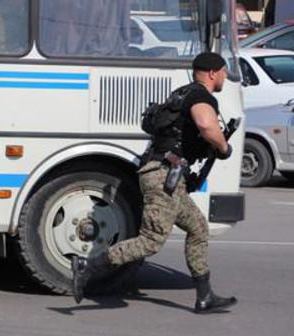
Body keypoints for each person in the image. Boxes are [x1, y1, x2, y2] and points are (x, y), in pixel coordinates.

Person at [71, 52, 238, 315]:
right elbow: (206, 125)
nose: (226, 77)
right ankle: (88, 265)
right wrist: (224, 147)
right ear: (213, 73)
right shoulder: (200, 96)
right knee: (152, 240)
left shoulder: (181, 93)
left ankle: (205, 296)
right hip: (163, 176)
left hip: (168, 175)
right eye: (224, 71)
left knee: (198, 229)